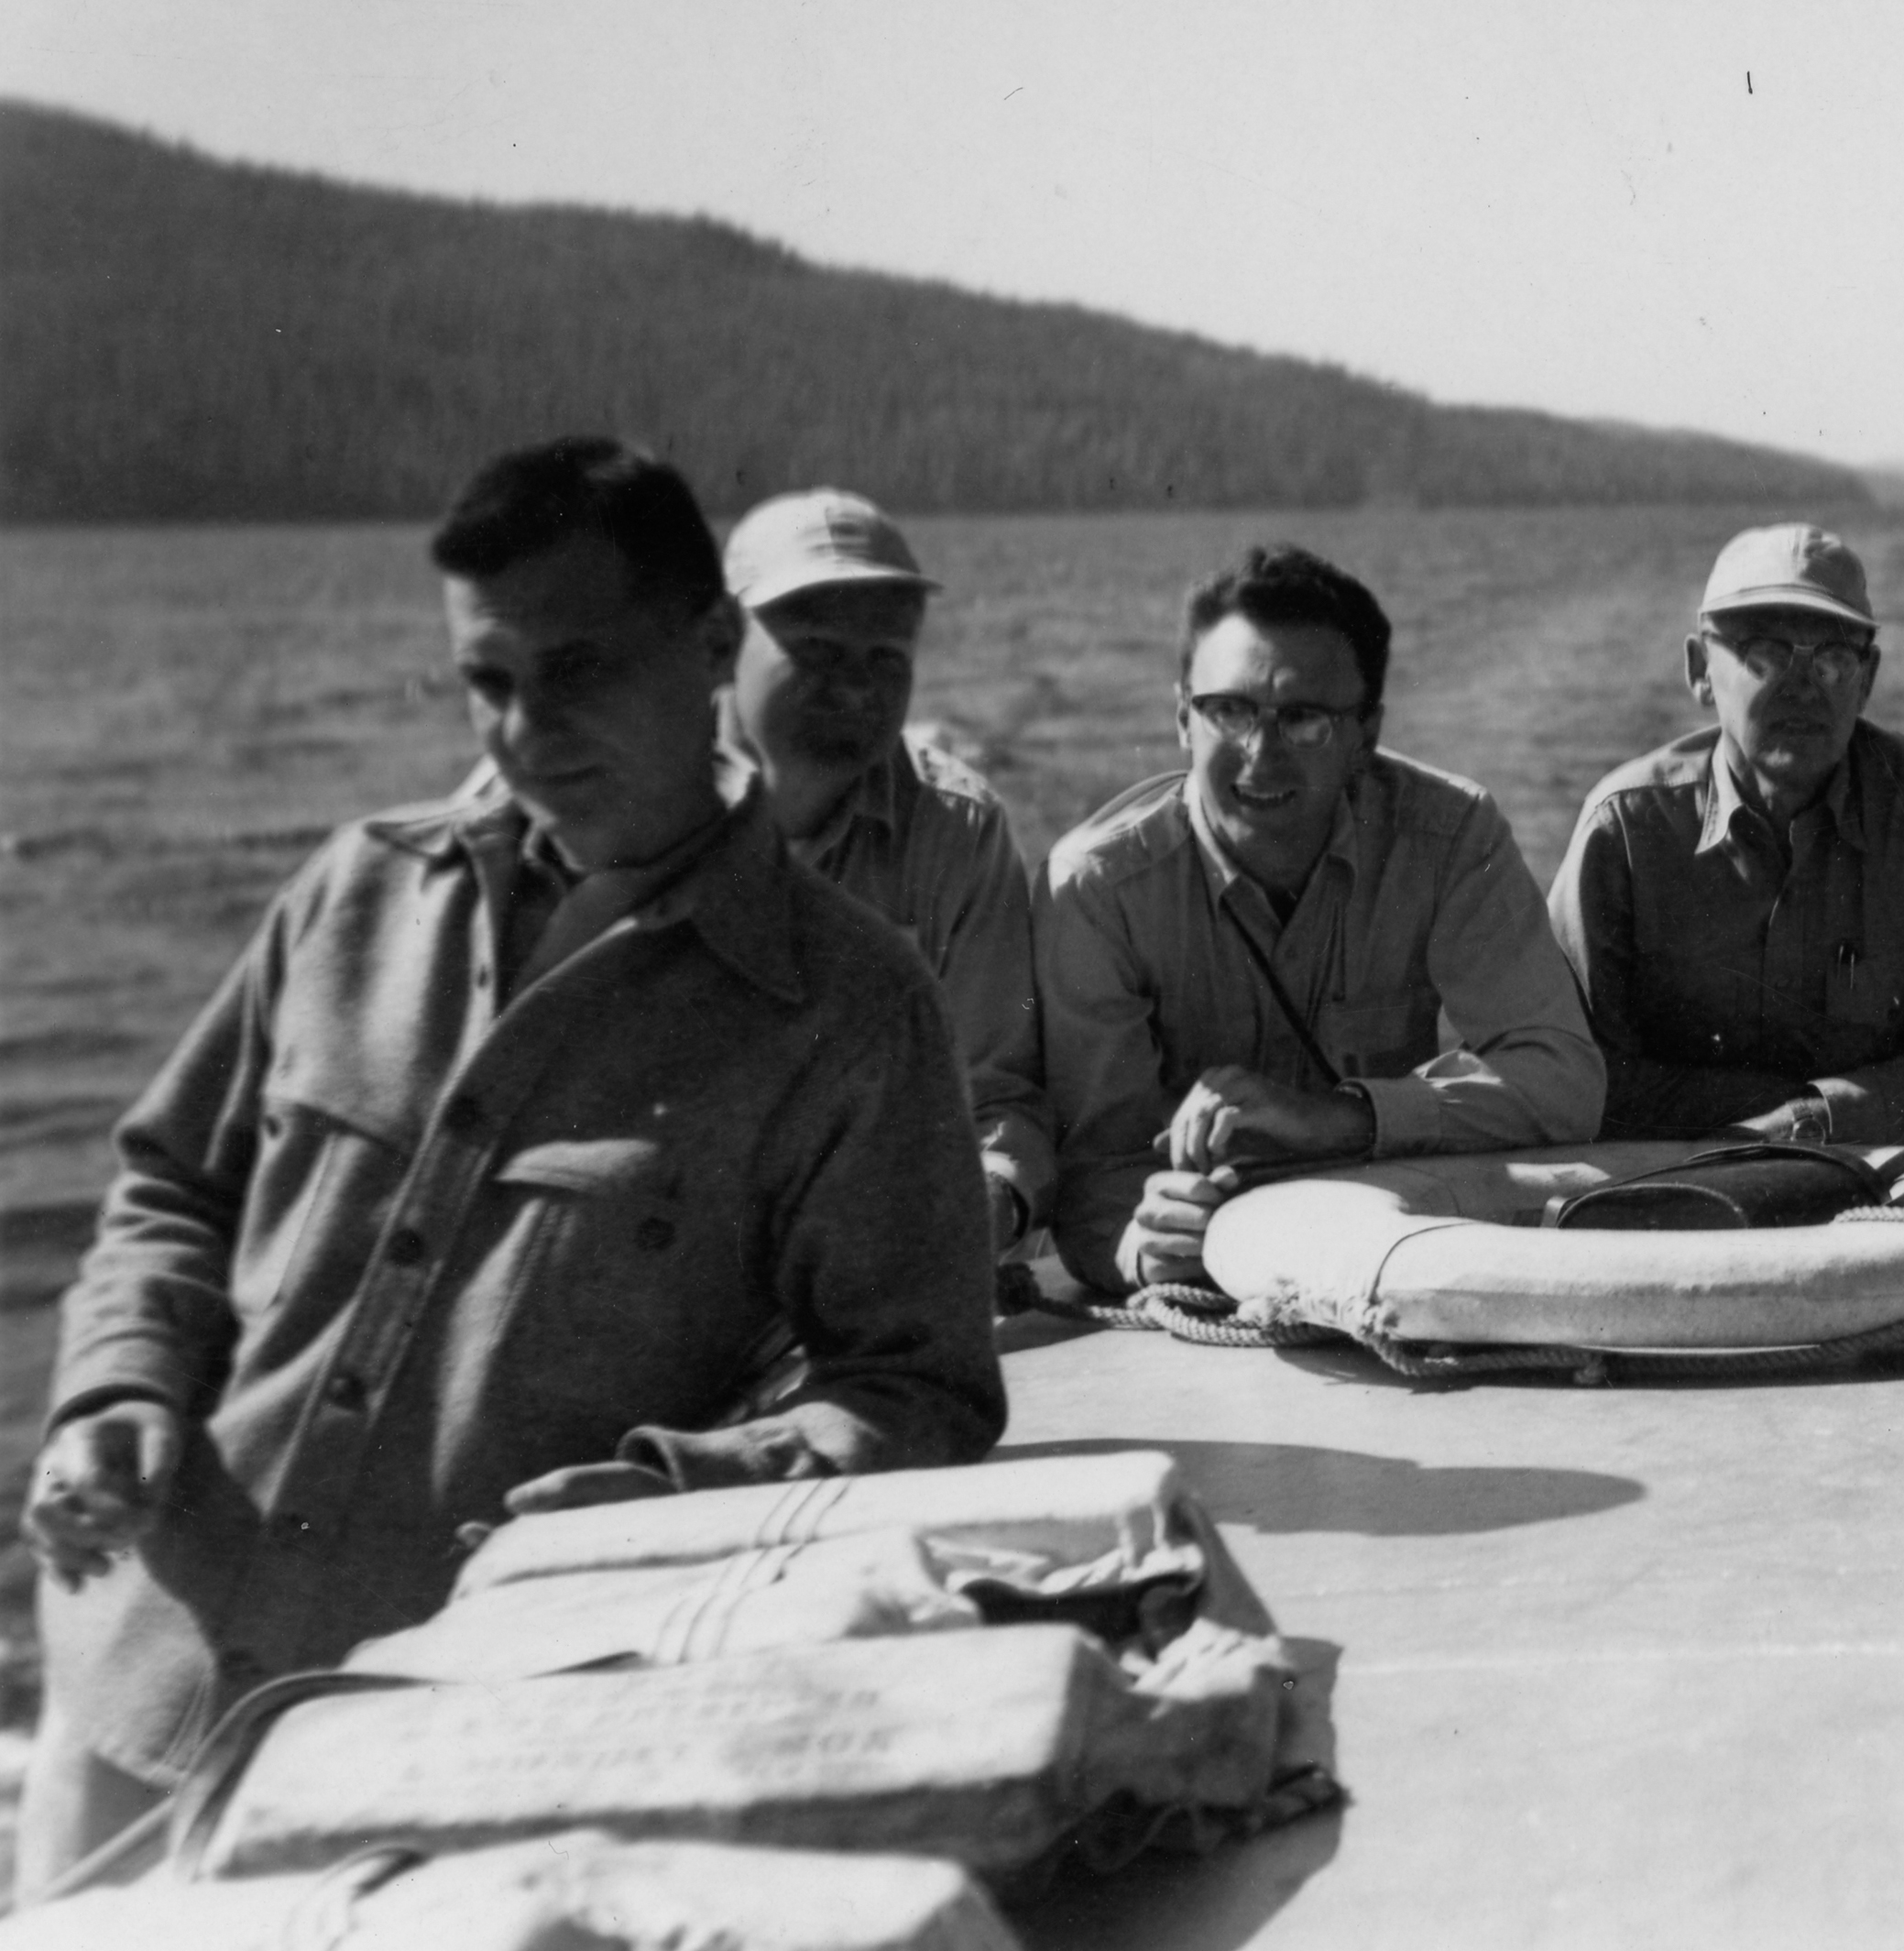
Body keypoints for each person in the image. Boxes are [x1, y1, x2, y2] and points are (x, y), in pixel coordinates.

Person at [16, 439, 1004, 1897]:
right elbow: (173, 1189)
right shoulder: (356, 886)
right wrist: (116, 1388)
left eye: (577, 669)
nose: (526, 731)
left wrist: (681, 1492)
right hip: (138, 1672)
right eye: (488, 680)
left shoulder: (852, 1008)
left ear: (709, 645)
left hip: (464, 1747)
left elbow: (919, 1386)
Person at [1036, 543, 1602, 1295]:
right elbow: (1091, 1169)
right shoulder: (1095, 890)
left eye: (1302, 719)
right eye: (1228, 711)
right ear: (1181, 718)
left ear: (1365, 736)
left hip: (1382, 1245)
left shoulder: (1449, 836)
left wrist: (1337, 1118)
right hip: (1203, 1270)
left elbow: (1564, 1079)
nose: (1259, 754)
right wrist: (1138, 1244)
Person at [1548, 525, 1904, 1146]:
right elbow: (1570, 1077)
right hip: (1674, 1177)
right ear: (1700, 670)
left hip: (1882, 1181)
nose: (1803, 685)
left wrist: (1813, 1119)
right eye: (1766, 654)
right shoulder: (1624, 830)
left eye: (1833, 658)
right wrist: (1780, 1119)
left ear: (1867, 680)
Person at [717, 489, 1050, 1255]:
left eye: (886, 657)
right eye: (819, 650)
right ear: (719, 639)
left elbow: (999, 1101)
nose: (857, 685)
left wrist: (983, 1203)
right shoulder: (612, 809)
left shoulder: (958, 832)